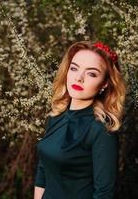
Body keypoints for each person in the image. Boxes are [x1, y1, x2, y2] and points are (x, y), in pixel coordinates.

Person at [34, 41, 126, 199]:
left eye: (91, 73)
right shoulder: (56, 116)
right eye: (74, 68)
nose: (79, 78)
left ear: (104, 83)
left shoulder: (101, 129)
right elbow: (43, 170)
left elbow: (104, 193)